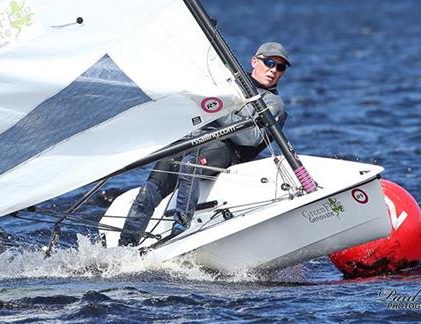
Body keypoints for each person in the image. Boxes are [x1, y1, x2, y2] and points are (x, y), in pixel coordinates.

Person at [118, 41, 292, 246]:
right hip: (192, 140)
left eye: (280, 67)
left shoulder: (273, 103)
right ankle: (126, 246)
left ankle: (181, 228)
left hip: (226, 149)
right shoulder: (228, 83)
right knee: (149, 190)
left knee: (189, 164)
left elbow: (251, 138)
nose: (273, 70)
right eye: (269, 62)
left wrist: (220, 108)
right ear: (254, 61)